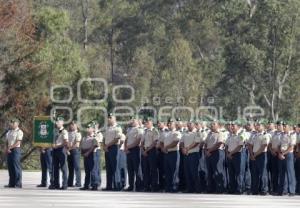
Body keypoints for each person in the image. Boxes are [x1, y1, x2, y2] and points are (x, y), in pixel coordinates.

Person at [249, 120, 270, 195]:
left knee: (263, 173)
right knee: (254, 173)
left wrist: (254, 155)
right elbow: (250, 145)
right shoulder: (253, 134)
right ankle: (255, 190)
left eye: (259, 125)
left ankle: (264, 190)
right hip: (253, 155)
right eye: (256, 125)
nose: (257, 126)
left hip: (262, 155)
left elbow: (264, 146)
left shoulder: (265, 135)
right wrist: (251, 154)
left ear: (263, 126)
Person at [205, 120, 226, 193]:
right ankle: (211, 188)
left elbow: (219, 143)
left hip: (217, 153)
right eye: (211, 124)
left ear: (218, 126)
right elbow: (205, 143)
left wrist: (209, 150)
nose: (212, 125)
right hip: (209, 153)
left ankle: (220, 188)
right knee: (210, 171)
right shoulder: (209, 134)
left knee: (218, 171)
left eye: (214, 124)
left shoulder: (220, 133)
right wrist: (206, 151)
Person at [103, 114, 123, 191]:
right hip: (107, 148)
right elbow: (104, 138)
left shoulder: (118, 127)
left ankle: (117, 185)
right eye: (108, 118)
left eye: (110, 118)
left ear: (114, 118)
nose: (109, 119)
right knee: (109, 168)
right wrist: (104, 146)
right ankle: (109, 186)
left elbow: (117, 139)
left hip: (114, 148)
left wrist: (107, 145)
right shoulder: (107, 127)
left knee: (115, 167)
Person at [162, 118, 181, 193]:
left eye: (171, 123)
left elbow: (175, 142)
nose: (169, 124)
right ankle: (168, 187)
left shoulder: (177, 132)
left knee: (174, 171)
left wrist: (166, 147)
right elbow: (160, 141)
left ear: (175, 125)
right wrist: (163, 148)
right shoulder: (165, 133)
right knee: (167, 171)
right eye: (168, 123)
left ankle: (174, 187)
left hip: (174, 153)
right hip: (166, 153)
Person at [49, 117, 68, 190]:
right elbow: (53, 140)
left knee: (63, 168)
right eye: (57, 122)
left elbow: (65, 142)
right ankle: (56, 184)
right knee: (55, 168)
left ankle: (64, 185)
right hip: (55, 150)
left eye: (59, 122)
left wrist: (57, 146)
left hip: (61, 150)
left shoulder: (64, 131)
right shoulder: (54, 130)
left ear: (62, 123)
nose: (57, 123)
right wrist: (53, 145)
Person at [181, 121, 201, 193]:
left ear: (194, 125)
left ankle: (197, 189)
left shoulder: (197, 133)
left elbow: (196, 143)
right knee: (187, 172)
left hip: (193, 154)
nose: (188, 126)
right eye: (188, 125)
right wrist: (183, 148)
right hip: (186, 154)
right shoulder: (185, 133)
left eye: (190, 125)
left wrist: (187, 148)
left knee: (194, 172)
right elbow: (181, 142)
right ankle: (190, 188)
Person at [124, 118, 143, 191]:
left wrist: (129, 147)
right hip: (128, 150)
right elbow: (126, 139)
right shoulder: (129, 130)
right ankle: (131, 186)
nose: (132, 122)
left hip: (135, 150)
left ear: (137, 122)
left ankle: (139, 186)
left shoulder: (139, 130)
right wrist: (126, 148)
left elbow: (138, 141)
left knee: (137, 168)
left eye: (134, 121)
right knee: (130, 169)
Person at [277, 122, 296, 196]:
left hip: (288, 155)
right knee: (281, 173)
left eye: (285, 126)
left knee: (290, 173)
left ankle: (292, 191)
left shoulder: (292, 135)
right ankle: (281, 191)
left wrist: (283, 154)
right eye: (283, 126)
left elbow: (291, 147)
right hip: (281, 155)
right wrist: (279, 153)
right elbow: (279, 145)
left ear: (289, 127)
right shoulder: (281, 135)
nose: (284, 128)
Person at [141, 117, 159, 192]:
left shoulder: (154, 131)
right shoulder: (144, 131)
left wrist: (147, 150)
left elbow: (155, 142)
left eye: (148, 123)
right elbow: (142, 142)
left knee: (153, 170)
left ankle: (154, 186)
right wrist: (143, 150)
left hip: (152, 151)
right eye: (146, 123)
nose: (146, 124)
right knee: (145, 169)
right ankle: (146, 186)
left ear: (151, 123)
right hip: (145, 151)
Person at [226, 121, 245, 194]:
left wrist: (230, 153)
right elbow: (226, 145)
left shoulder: (240, 135)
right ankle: (232, 189)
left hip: (237, 155)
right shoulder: (230, 135)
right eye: (231, 125)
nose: (232, 127)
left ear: (238, 126)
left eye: (233, 125)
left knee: (239, 173)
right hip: (230, 156)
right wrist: (228, 154)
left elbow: (240, 146)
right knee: (231, 173)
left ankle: (239, 189)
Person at [80, 122, 100, 191]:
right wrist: (83, 153)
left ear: (92, 129)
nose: (87, 129)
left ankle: (95, 185)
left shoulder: (94, 137)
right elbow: (82, 146)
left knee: (93, 171)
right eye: (87, 128)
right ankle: (86, 185)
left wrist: (88, 152)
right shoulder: (84, 137)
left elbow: (94, 146)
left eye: (89, 128)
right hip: (86, 155)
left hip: (92, 154)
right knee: (87, 171)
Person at [4, 118, 23, 188]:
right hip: (9, 150)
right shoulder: (9, 131)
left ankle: (18, 183)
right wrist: (7, 148)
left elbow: (18, 142)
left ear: (17, 124)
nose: (11, 124)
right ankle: (11, 183)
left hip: (15, 150)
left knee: (16, 167)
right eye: (11, 123)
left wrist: (10, 148)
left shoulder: (19, 131)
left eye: (13, 123)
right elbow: (7, 141)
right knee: (10, 167)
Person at [67, 121, 82, 187]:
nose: (72, 125)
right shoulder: (68, 133)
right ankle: (70, 182)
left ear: (76, 126)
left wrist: (69, 149)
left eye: (73, 124)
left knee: (77, 167)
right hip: (69, 151)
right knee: (70, 168)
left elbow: (77, 144)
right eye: (71, 124)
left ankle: (78, 182)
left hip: (75, 151)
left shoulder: (78, 133)